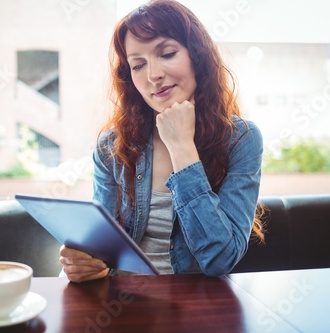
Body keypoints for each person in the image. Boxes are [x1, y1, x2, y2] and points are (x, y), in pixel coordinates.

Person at [60, 0, 265, 282]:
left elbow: (220, 258)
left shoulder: (241, 139)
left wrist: (181, 146)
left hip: (199, 307)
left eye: (167, 53)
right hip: (122, 302)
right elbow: (101, 246)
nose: (153, 75)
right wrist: (82, 263)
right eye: (138, 65)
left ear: (197, 56)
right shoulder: (112, 145)